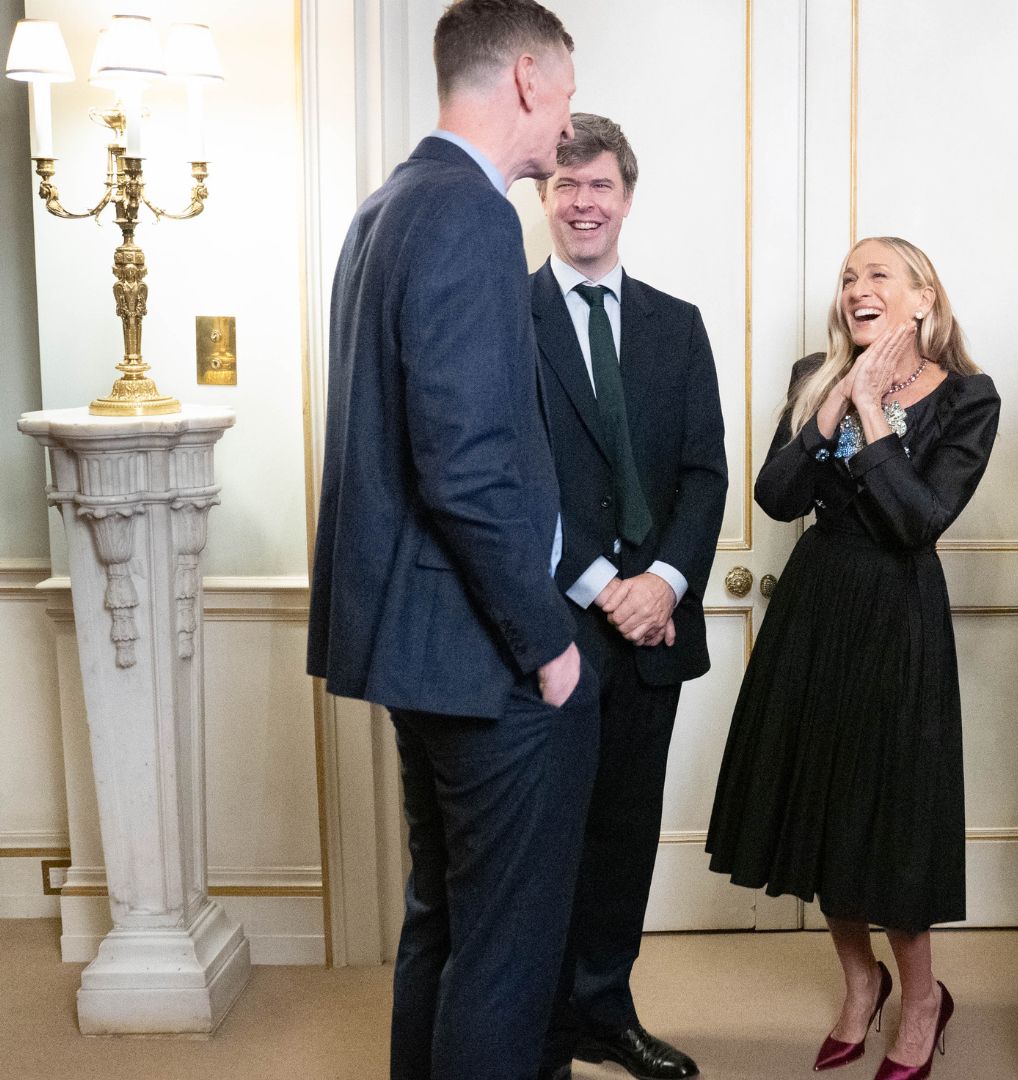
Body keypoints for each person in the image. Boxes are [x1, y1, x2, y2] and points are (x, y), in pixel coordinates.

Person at [304, 3, 594, 1078]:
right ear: (526, 77)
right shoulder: (470, 215)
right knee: (506, 955)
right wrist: (548, 644)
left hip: (414, 646)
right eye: (564, 90)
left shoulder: (387, 206)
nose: (566, 120)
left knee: (444, 920)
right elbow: (463, 465)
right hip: (482, 653)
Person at [705, 237, 999, 1080]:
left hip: (898, 613)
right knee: (827, 807)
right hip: (817, 605)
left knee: (891, 820)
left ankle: (923, 1001)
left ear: (922, 298)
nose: (855, 289)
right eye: (847, 278)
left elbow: (919, 521)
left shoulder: (969, 398)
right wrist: (833, 401)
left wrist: (873, 411)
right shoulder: (813, 375)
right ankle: (858, 984)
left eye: (878, 275)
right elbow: (777, 496)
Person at [531, 112, 728, 1080]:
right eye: (566, 186)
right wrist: (609, 585)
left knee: (624, 841)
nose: (582, 203)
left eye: (599, 185)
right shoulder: (506, 320)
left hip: (657, 633)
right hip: (550, 631)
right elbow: (514, 481)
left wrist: (667, 582)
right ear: (543, 197)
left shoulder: (677, 325)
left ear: (627, 196)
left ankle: (606, 1008)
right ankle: (545, 1035)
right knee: (548, 842)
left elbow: (707, 473)